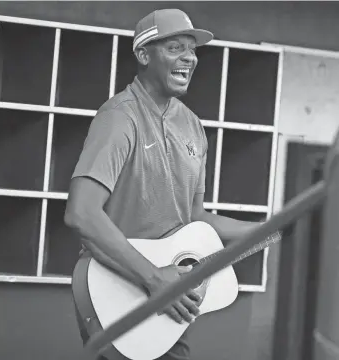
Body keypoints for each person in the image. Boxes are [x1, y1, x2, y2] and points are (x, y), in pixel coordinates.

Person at [64, 8, 261, 360]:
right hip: (119, 289)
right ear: (143, 55)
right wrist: (154, 279)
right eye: (174, 48)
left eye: (192, 49)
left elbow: (195, 217)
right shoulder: (120, 118)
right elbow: (81, 213)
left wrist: (268, 229)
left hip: (163, 291)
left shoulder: (193, 126)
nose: (189, 57)